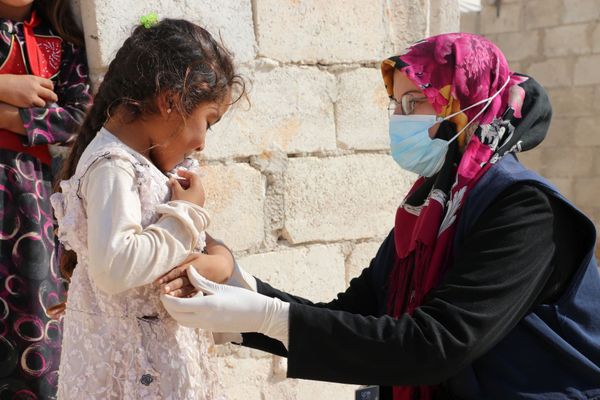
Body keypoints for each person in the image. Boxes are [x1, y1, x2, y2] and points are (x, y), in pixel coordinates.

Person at [160, 33, 600, 399]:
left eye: (412, 104)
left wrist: (263, 316)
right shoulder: (431, 206)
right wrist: (237, 287)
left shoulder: (524, 210)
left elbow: (435, 344)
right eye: (395, 104)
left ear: (461, 106)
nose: (397, 119)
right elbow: (357, 315)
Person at [50, 18, 243, 399]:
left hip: (158, 364)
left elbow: (189, 248)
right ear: (170, 100)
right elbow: (116, 265)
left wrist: (220, 260)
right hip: (135, 376)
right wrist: (186, 214)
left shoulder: (149, 167)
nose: (202, 143)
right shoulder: (112, 165)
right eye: (208, 121)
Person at [0, 0, 91, 397]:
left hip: (27, 199)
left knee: (31, 318)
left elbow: (79, 116)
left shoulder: (63, 40)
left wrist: (3, 117)